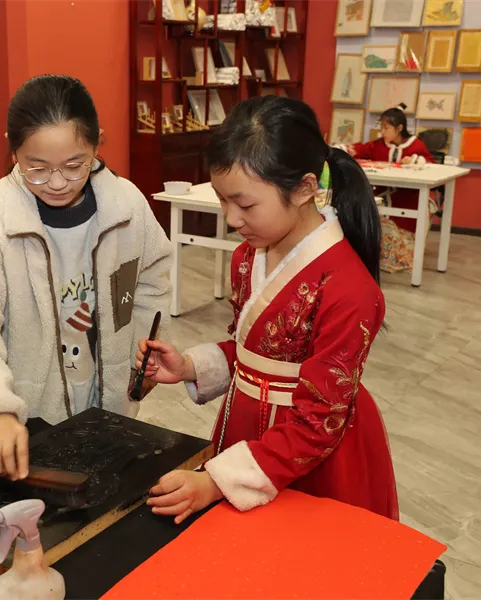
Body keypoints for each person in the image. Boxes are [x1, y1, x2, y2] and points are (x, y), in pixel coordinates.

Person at [138, 96, 398, 524]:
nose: (231, 218)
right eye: (223, 200)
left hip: (310, 450)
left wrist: (218, 482)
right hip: (247, 431)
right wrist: (189, 366)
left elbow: (319, 420)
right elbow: (257, 352)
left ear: (304, 189)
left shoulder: (349, 288)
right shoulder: (247, 257)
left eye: (245, 205)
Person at [0, 74, 172, 481]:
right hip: (30, 409)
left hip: (108, 395)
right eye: (37, 168)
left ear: (98, 144)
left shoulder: (127, 207)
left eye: (74, 165)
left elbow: (151, 283)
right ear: (12, 150)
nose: (57, 182)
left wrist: (141, 358)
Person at [340, 104, 435, 235]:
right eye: (381, 128)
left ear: (399, 128)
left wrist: (415, 161)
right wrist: (340, 149)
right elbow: (360, 149)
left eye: (386, 128)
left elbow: (431, 164)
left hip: (409, 196)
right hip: (382, 193)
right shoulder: (378, 145)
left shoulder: (416, 145)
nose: (382, 132)